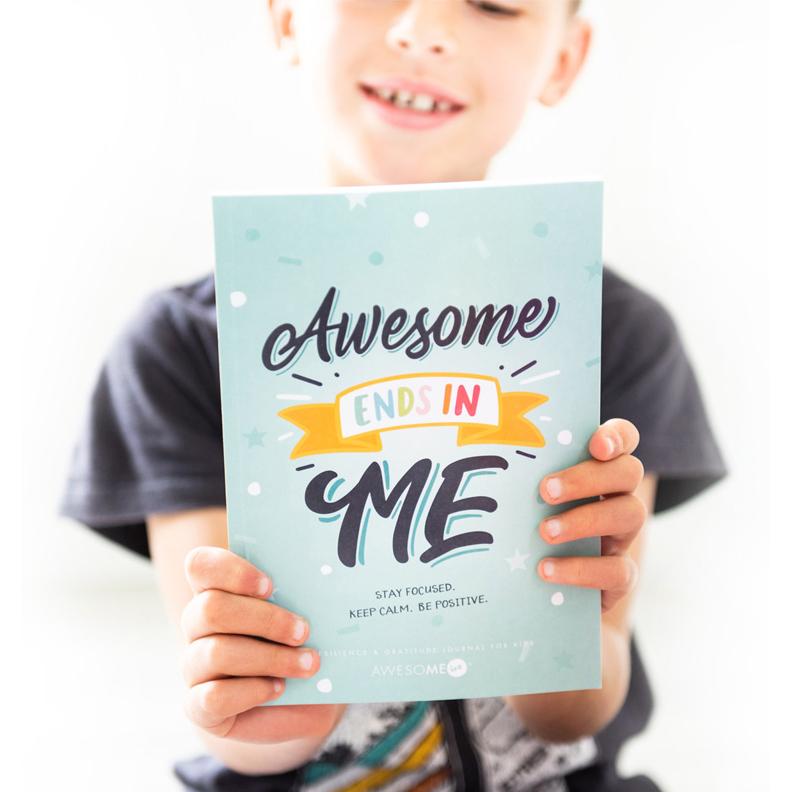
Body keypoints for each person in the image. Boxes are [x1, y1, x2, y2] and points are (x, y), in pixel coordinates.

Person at [59, 1, 727, 790]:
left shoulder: (614, 337)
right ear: (284, 19)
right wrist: (262, 699)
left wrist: (573, 627)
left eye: (494, 2)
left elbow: (577, 705)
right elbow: (251, 722)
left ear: (562, 60)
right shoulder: (179, 350)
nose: (421, 28)